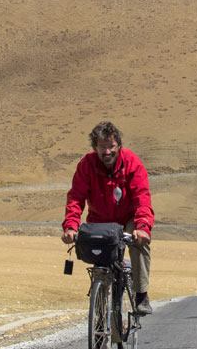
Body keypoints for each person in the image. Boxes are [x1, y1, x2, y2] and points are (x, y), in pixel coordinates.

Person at [62, 121, 155, 315]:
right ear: (95, 147)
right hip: (100, 222)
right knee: (100, 263)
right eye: (102, 147)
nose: (106, 152)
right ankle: (100, 311)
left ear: (118, 145)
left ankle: (141, 294)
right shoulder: (86, 164)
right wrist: (71, 226)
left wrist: (143, 227)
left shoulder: (132, 162)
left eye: (111, 146)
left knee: (139, 244)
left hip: (128, 219)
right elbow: (76, 197)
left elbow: (142, 198)